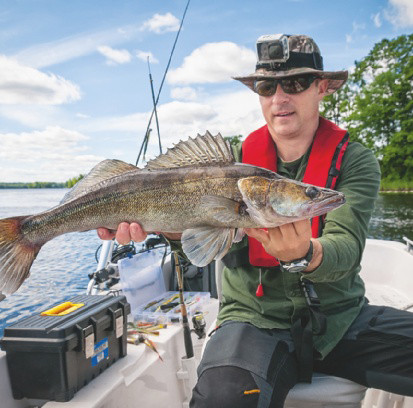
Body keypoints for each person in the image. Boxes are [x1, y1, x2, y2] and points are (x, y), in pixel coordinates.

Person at [98, 34, 413, 407]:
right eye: (267, 86)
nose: (280, 98)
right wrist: (172, 232)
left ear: (322, 87)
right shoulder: (227, 165)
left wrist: (304, 254)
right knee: (222, 398)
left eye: (296, 83)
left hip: (341, 319)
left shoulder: (355, 160)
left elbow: (346, 248)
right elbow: (208, 246)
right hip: (252, 320)